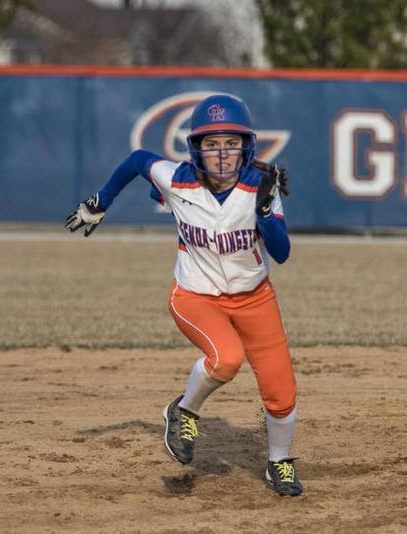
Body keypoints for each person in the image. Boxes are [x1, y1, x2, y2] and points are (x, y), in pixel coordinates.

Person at [64, 94, 302, 497]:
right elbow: (138, 159)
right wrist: (100, 201)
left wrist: (265, 214)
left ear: (247, 146)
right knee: (226, 358)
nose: (222, 153)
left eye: (231, 142)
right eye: (211, 144)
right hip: (195, 296)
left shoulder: (261, 185)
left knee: (281, 392)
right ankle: (185, 410)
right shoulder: (178, 180)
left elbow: (281, 252)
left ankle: (278, 463)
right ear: (196, 149)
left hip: (255, 297)